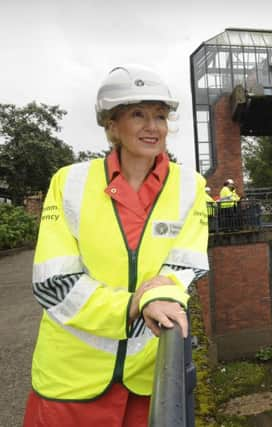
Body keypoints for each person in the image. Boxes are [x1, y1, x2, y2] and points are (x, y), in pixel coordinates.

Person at [23, 64, 209, 427]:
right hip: (70, 385)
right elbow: (53, 284)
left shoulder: (191, 186)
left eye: (160, 116)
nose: (152, 126)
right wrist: (135, 303)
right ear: (111, 125)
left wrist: (159, 295)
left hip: (147, 382)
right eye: (138, 114)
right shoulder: (69, 183)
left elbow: (186, 265)